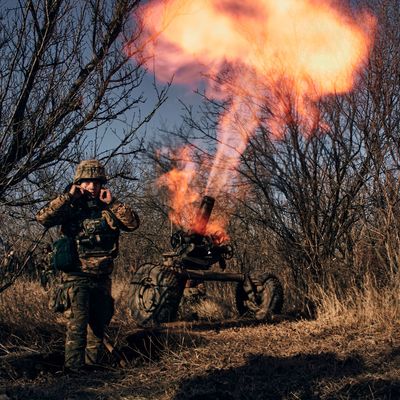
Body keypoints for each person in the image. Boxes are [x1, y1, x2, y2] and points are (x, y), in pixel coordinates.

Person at [36, 159, 139, 372]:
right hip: (76, 277)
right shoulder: (71, 207)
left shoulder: (108, 208)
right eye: (86, 182)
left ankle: (92, 370)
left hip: (102, 277)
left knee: (98, 328)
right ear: (78, 183)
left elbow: (132, 223)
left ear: (102, 184)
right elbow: (43, 218)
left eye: (96, 182)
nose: (92, 186)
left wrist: (113, 203)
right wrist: (68, 197)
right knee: (77, 326)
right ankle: (73, 371)